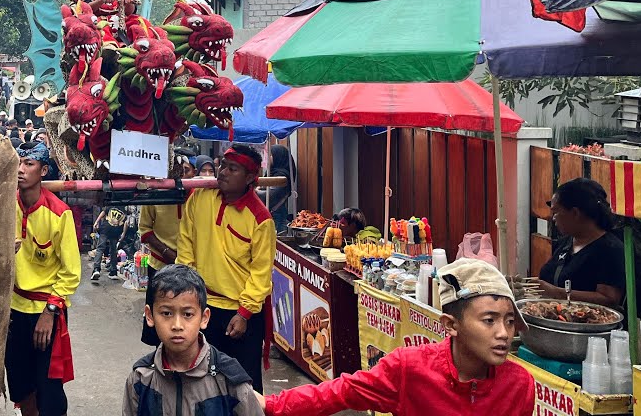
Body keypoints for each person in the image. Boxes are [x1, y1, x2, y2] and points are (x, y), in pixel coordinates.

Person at [260, 258, 534, 416]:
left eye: (510, 322)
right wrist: (270, 405)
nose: (503, 334)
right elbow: (341, 392)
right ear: (451, 325)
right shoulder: (409, 368)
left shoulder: (520, 385)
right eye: (489, 321)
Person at [177, 145, 275, 389]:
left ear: (250, 178)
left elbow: (261, 274)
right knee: (201, 379)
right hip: (203, 304)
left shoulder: (261, 219)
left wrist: (244, 314)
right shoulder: (200, 197)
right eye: (222, 166)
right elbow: (186, 241)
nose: (223, 172)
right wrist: (187, 291)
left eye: (233, 169)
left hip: (239, 313)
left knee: (243, 385)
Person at [124, 265, 264, 416]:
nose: (177, 325)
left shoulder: (230, 381)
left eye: (188, 314)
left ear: (204, 318)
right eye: (166, 313)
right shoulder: (141, 379)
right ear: (150, 316)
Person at [8, 142, 81, 416]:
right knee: (20, 384)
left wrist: (50, 313)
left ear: (44, 170)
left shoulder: (59, 213)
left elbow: (71, 272)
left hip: (46, 309)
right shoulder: (3, 205)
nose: (20, 170)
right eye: (18, 163)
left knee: (49, 389)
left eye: (29, 164)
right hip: (13, 308)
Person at [539, 178, 625, 307]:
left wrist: (556, 293)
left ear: (575, 213)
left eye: (556, 212)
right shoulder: (566, 243)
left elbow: (609, 299)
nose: (553, 218)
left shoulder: (610, 249)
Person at [138, 156, 191, 345]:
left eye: (187, 170)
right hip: (159, 265)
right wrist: (167, 253)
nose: (180, 174)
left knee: (185, 321)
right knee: (160, 316)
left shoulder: (199, 196)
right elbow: (145, 231)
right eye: (177, 170)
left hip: (190, 268)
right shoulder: (153, 193)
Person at [260, 136, 296, 233]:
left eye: (270, 155)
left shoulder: (282, 177)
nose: (267, 158)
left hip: (277, 220)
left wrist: (252, 190)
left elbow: (268, 196)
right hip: (270, 216)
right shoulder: (271, 172)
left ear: (278, 157)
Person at [92, 204, 129, 282]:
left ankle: (96, 269)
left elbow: (103, 212)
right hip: (115, 231)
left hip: (106, 228)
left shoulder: (112, 204)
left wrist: (96, 222)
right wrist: (123, 234)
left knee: (100, 249)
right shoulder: (124, 209)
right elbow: (126, 222)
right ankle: (113, 272)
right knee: (113, 251)